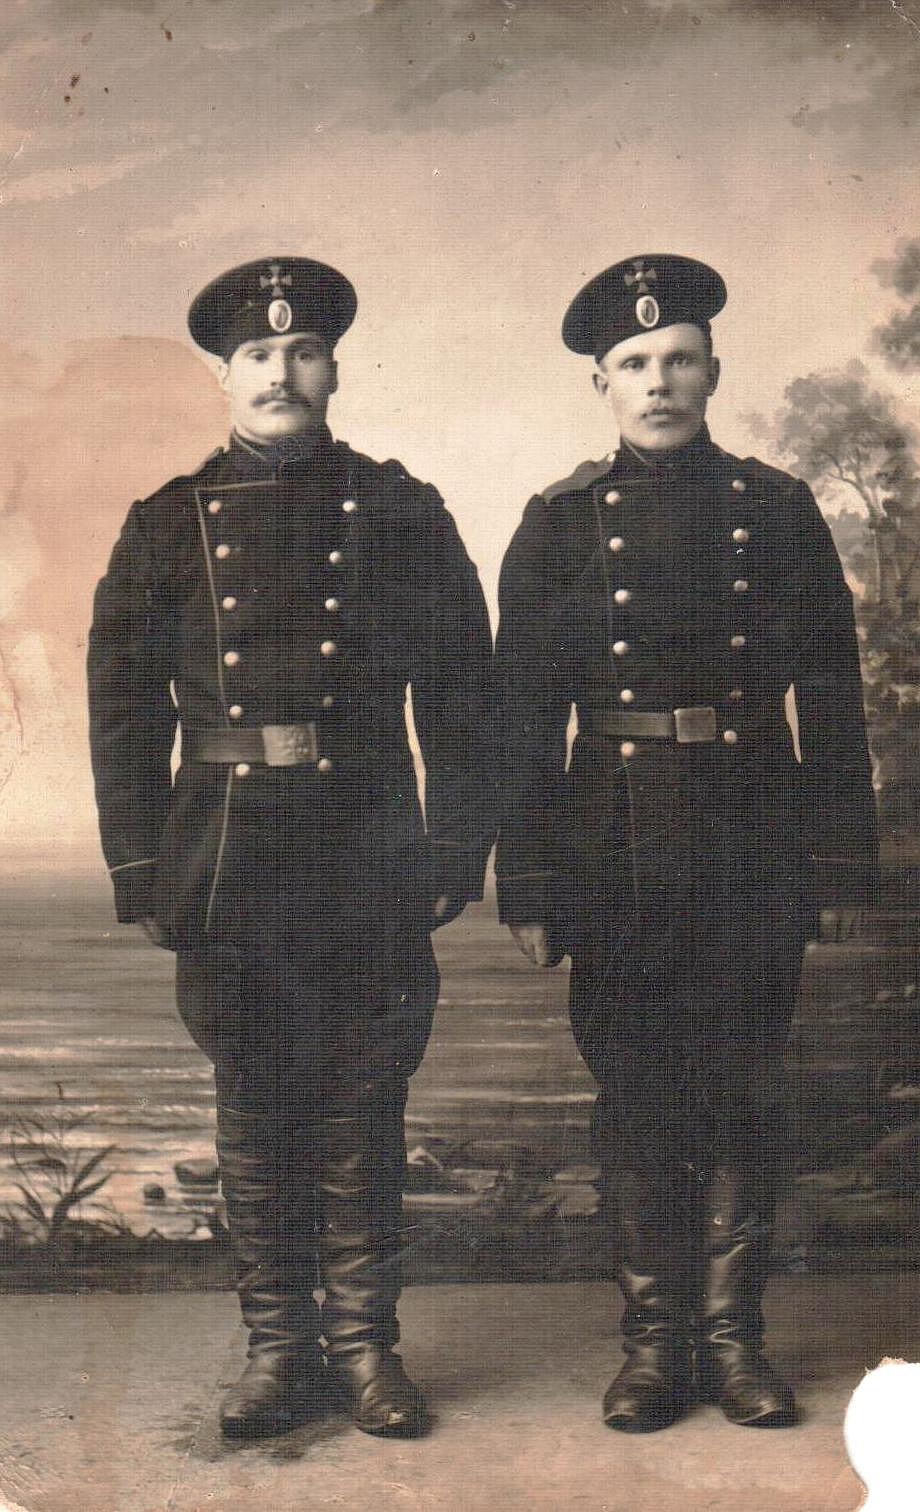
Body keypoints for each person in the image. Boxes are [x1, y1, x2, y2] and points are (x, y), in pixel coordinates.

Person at [88, 257, 494, 1439]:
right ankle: (277, 1352)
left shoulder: (401, 509)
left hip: (365, 843)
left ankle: (365, 1350)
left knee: (365, 1104)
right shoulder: (167, 522)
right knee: (256, 1108)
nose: (281, 372)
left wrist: (454, 846)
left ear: (333, 370)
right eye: (258, 355)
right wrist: (138, 865)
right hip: (227, 858)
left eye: (302, 351)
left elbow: (461, 691)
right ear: (225, 376)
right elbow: (123, 708)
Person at [495, 254, 878, 1433]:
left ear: (712, 372)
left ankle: (733, 1339)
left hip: (752, 828)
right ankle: (655, 1346)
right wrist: (528, 881)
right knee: (635, 1093)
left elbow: (831, 694)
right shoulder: (558, 524)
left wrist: (837, 862)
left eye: (677, 360)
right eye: (632, 364)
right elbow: (521, 722)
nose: (656, 382)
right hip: (612, 843)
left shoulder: (776, 509)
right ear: (599, 385)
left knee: (744, 1086)